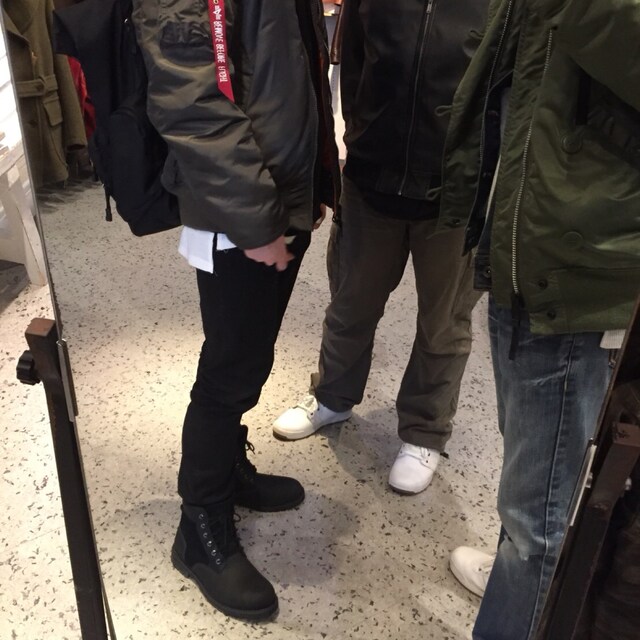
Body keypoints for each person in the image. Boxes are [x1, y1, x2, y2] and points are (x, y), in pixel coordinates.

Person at [132, 0, 340, 621]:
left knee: (249, 357)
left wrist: (310, 187)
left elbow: (286, 64)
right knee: (229, 370)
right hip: (240, 213)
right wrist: (257, 221)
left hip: (277, 197)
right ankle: (199, 527)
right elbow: (192, 102)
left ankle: (226, 470)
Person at [440, 1, 640, 638]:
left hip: (576, 267)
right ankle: (517, 577)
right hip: (528, 249)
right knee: (532, 478)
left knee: (540, 520)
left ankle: (521, 591)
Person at [273, 0, 487, 495]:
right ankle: (332, 396)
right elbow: (352, 62)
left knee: (444, 323)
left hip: (457, 191)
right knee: (351, 303)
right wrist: (361, 139)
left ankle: (424, 431)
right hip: (372, 178)